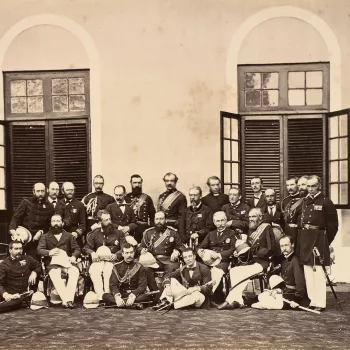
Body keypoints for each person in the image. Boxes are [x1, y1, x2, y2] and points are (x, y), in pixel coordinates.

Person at [218, 208, 275, 310]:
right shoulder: (251, 228)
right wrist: (240, 251)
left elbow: (270, 249)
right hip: (251, 262)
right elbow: (248, 246)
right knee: (234, 271)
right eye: (249, 217)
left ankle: (230, 300)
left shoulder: (266, 227)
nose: (251, 219)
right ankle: (238, 300)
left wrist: (255, 251)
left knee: (242, 272)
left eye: (254, 216)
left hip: (262, 262)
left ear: (260, 217)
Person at [297, 175, 338, 312]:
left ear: (319, 186)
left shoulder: (326, 202)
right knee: (308, 271)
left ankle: (320, 302)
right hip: (305, 239)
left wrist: (325, 242)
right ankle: (313, 300)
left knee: (318, 271)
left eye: (313, 186)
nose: (310, 189)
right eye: (308, 186)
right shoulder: (304, 201)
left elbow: (333, 225)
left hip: (319, 239)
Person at [251, 235, 309, 310]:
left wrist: (296, 300)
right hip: (285, 293)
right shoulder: (284, 259)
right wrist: (277, 290)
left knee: (260, 303)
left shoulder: (295, 260)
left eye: (286, 245)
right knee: (261, 296)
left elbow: (300, 284)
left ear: (292, 245)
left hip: (292, 297)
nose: (284, 248)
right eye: (282, 246)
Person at [37, 214, 81, 309]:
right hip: (53, 264)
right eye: (53, 221)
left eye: (58, 221)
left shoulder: (69, 236)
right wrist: (49, 252)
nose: (56, 223)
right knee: (54, 274)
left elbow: (77, 249)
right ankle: (68, 300)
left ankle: (67, 300)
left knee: (75, 271)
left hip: (67, 263)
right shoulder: (45, 236)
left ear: (62, 223)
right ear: (50, 223)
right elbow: (39, 249)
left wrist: (74, 256)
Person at [84, 210, 125, 300]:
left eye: (110, 219)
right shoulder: (94, 234)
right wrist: (92, 253)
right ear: (99, 222)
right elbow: (86, 247)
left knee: (108, 271)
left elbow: (124, 247)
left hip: (113, 261)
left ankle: (108, 295)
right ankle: (100, 296)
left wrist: (117, 255)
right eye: (106, 220)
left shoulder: (119, 233)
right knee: (94, 271)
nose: (109, 222)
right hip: (98, 260)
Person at [198, 211, 237, 302]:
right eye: (218, 221)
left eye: (222, 220)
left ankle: (212, 295)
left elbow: (233, 249)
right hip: (209, 260)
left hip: (223, 260)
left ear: (226, 220)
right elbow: (201, 247)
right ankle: (202, 294)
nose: (220, 223)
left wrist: (219, 254)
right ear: (214, 222)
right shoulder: (211, 234)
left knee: (216, 270)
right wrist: (200, 251)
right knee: (200, 268)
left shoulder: (231, 233)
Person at [9, 182, 54, 259]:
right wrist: (14, 233)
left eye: (42, 191)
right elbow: (15, 218)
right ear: (33, 191)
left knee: (34, 261)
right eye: (38, 191)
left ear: (45, 191)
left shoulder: (49, 206)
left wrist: (41, 232)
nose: (40, 193)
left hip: (38, 239)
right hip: (23, 236)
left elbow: (49, 225)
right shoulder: (26, 203)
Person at [102, 243, 150, 309]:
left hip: (135, 295)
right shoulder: (116, 266)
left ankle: (120, 304)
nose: (129, 255)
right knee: (105, 296)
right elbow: (113, 284)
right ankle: (132, 305)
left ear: (134, 253)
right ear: (122, 254)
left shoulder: (139, 266)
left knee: (145, 296)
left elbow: (142, 285)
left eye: (131, 252)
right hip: (122, 294)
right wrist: (117, 297)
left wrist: (133, 295)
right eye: (126, 253)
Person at [0, 241, 41, 313]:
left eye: (21, 249)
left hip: (21, 295)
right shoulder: (4, 264)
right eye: (16, 249)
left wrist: (34, 272)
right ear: (10, 250)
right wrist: (6, 295)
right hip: (9, 294)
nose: (19, 251)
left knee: (17, 302)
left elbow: (38, 266)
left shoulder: (28, 259)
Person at [125, 174, 156, 243]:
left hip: (143, 229)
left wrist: (151, 230)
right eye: (135, 183)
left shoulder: (147, 198)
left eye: (139, 183)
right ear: (131, 183)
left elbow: (152, 215)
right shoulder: (126, 198)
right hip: (130, 228)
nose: (137, 185)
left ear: (141, 183)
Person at [55, 182, 86, 247]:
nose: (70, 192)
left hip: (75, 237)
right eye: (67, 190)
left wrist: (77, 233)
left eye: (71, 190)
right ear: (63, 191)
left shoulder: (80, 205)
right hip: (61, 237)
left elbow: (83, 224)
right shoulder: (58, 204)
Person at [281, 176, 303, 244]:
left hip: (300, 232)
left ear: (297, 185)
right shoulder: (284, 201)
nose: (289, 187)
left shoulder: (304, 199)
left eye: (292, 184)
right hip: (287, 231)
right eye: (287, 185)